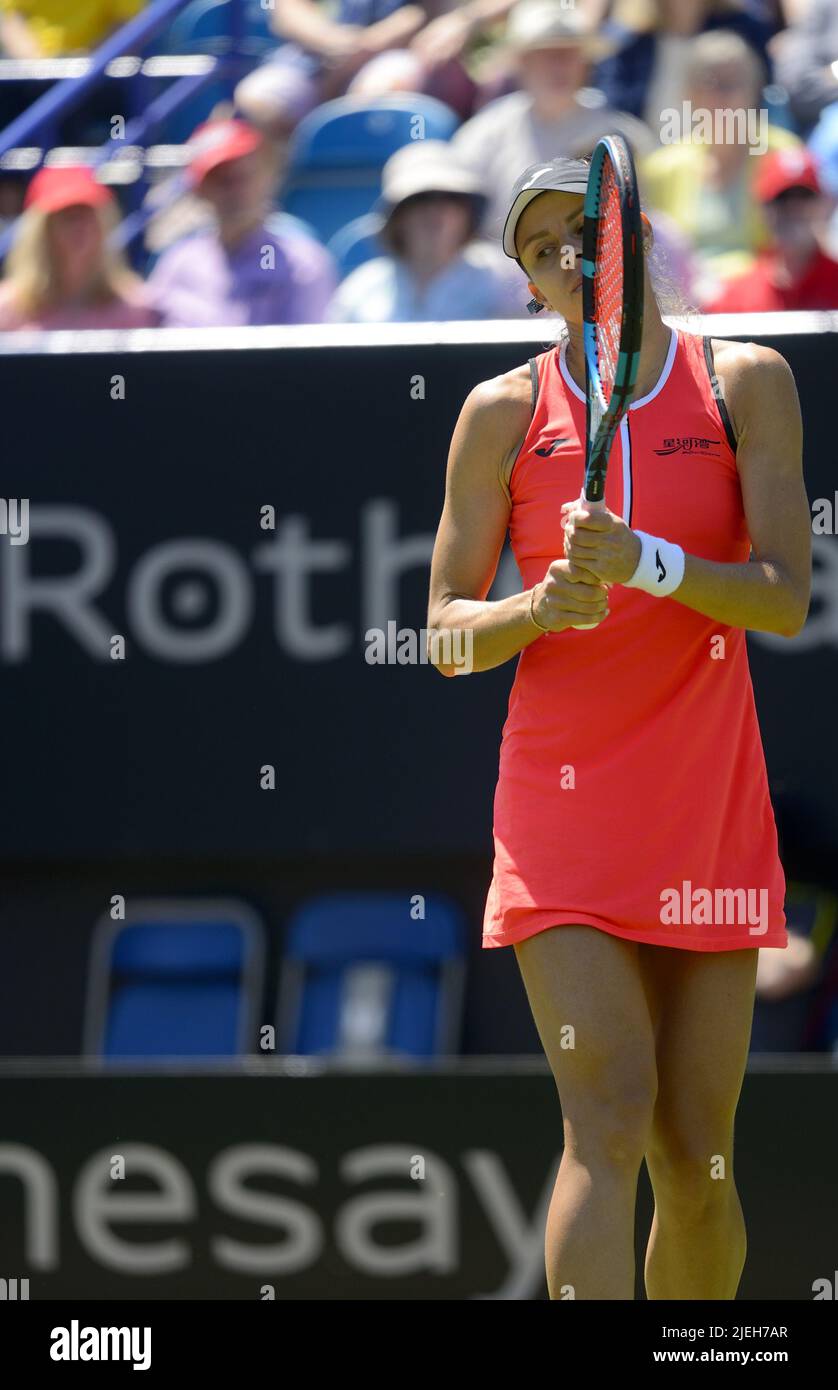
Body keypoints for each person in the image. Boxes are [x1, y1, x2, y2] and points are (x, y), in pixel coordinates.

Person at [426, 154, 811, 1299]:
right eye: (538, 250)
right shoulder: (498, 414)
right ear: (530, 286)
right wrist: (536, 606)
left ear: (633, 240)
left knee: (695, 1159)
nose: (564, 259)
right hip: (562, 812)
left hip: (707, 806)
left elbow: (783, 594)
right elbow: (442, 634)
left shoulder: (750, 381)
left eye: (582, 234)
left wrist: (648, 562)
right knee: (607, 1114)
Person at [451, 1, 654, 240]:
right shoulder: (485, 133)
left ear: (584, 62)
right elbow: (458, 220)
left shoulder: (619, 136)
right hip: (502, 269)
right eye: (546, 54)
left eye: (569, 53)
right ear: (522, 62)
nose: (559, 65)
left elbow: (646, 224)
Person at [640, 29, 801, 281]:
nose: (721, 96)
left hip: (767, 301)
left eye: (732, 84)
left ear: (754, 91)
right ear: (690, 95)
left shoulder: (786, 156)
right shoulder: (663, 168)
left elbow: (799, 246)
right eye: (710, 84)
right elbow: (655, 256)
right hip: (688, 302)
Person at [148, 118, 337, 327]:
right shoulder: (177, 263)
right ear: (199, 190)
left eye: (243, 175)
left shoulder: (303, 263)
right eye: (221, 179)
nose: (235, 190)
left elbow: (308, 355)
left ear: (266, 176)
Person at [325, 139, 525, 321]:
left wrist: (524, 312)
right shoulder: (362, 288)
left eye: (450, 199)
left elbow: (542, 308)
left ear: (468, 213)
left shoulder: (504, 276)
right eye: (420, 200)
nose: (435, 212)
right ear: (398, 217)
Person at [0, 164, 159, 330]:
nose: (80, 226)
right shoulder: (8, 310)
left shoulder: (135, 307)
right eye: (68, 216)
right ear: (42, 230)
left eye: (87, 214)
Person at [593, 0, 775, 126]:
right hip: (643, 170)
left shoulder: (746, 31)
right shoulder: (629, 42)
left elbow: (762, 103)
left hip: (727, 166)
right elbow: (616, 117)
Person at [704, 148, 838, 311]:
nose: (793, 208)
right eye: (782, 198)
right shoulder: (737, 297)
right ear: (762, 208)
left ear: (822, 205)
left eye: (804, 196)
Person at [0, 0, 143, 56]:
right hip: (34, 79)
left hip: (100, 77)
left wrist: (87, 60)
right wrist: (39, 65)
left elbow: (126, 25)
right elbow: (11, 19)